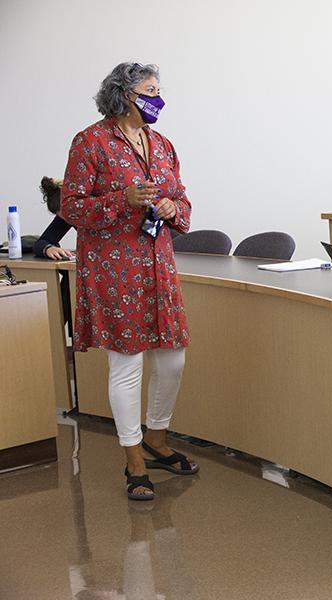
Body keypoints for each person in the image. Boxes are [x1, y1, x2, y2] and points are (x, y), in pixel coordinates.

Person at [60, 62, 197, 501]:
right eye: (149, 90)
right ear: (123, 95)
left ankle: (156, 436)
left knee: (172, 359)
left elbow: (182, 198)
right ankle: (133, 458)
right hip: (114, 268)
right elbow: (72, 208)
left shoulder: (162, 144)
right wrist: (123, 199)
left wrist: (173, 210)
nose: (158, 97)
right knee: (127, 364)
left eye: (159, 89)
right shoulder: (91, 141)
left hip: (158, 266)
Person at [34, 177, 75, 260]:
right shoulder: (65, 219)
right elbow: (40, 243)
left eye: (68, 215)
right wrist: (48, 248)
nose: (68, 220)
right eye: (62, 217)